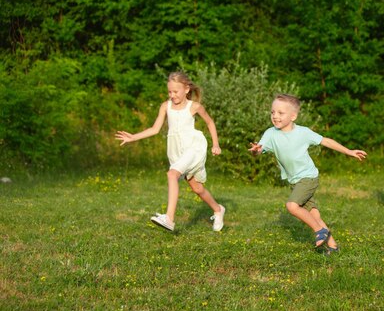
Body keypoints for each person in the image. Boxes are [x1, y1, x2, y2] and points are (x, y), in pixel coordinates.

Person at [249, 94, 367, 253]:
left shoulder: (303, 132)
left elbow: (325, 141)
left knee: (292, 205)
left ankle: (320, 231)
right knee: (315, 216)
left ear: (293, 116)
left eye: (280, 113)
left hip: (308, 177)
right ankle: (333, 246)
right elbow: (259, 150)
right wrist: (256, 151)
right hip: (294, 181)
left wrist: (348, 151)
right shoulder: (270, 133)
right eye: (272, 112)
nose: (275, 116)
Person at [116, 72, 226, 232]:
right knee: (197, 188)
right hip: (176, 150)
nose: (172, 95)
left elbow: (210, 122)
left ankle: (169, 218)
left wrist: (215, 144)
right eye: (169, 92)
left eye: (176, 91)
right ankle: (218, 209)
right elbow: (154, 129)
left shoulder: (194, 106)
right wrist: (133, 137)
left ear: (186, 89)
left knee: (171, 174)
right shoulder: (165, 106)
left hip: (193, 147)